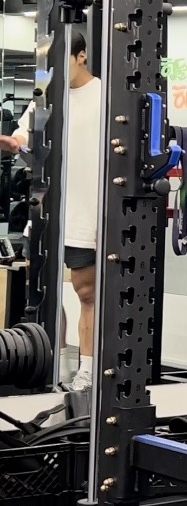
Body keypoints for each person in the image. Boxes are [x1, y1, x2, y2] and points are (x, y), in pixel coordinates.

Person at [0, 32, 101, 393]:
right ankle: (52, 366)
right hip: (45, 211)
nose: (53, 71)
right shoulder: (44, 96)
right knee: (41, 293)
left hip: (87, 212)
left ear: (81, 56)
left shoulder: (104, 96)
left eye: (60, 61)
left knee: (87, 294)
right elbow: (25, 137)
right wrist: (13, 143)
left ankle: (87, 371)